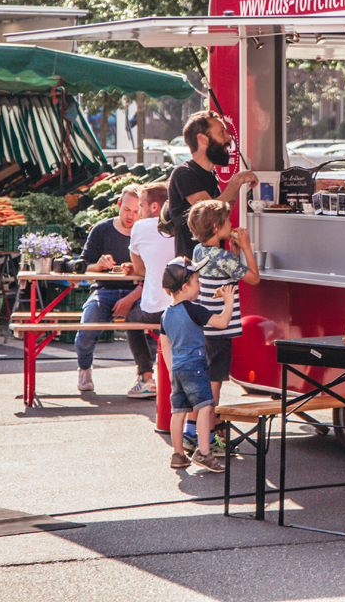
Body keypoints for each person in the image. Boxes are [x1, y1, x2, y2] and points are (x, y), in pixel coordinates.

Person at [183, 199, 261, 452]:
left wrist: (234, 251)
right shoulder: (223, 257)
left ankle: (190, 433)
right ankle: (212, 439)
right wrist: (247, 248)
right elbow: (254, 278)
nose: (231, 225)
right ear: (217, 227)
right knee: (214, 385)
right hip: (220, 332)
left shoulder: (199, 251)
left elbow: (225, 276)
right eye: (227, 222)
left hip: (202, 328)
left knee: (202, 382)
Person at [161, 257, 235, 472]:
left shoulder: (166, 314)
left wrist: (171, 368)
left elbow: (165, 345)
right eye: (196, 281)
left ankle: (178, 454)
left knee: (179, 411)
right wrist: (228, 302)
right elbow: (222, 323)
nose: (200, 285)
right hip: (195, 365)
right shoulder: (194, 309)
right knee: (206, 407)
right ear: (185, 287)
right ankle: (204, 453)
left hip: (177, 369)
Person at [74, 187, 142, 393]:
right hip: (105, 290)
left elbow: (153, 272)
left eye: (136, 211)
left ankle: (145, 375)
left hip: (138, 292)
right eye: (127, 210)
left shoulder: (145, 231)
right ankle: (84, 368)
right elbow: (83, 266)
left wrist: (131, 295)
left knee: (150, 327)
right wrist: (99, 266)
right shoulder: (102, 229)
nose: (131, 216)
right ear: (119, 205)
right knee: (87, 328)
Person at [166, 109, 257, 257]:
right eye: (222, 132)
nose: (228, 138)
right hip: (193, 273)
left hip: (212, 272)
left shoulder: (210, 175)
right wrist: (237, 180)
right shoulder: (184, 173)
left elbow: (221, 217)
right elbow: (211, 215)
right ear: (203, 139)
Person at [123, 181, 176, 399]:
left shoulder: (140, 227)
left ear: (154, 207)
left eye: (142, 206)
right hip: (182, 305)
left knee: (131, 319)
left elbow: (140, 269)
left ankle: (145, 377)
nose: (139, 212)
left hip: (155, 308)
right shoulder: (180, 225)